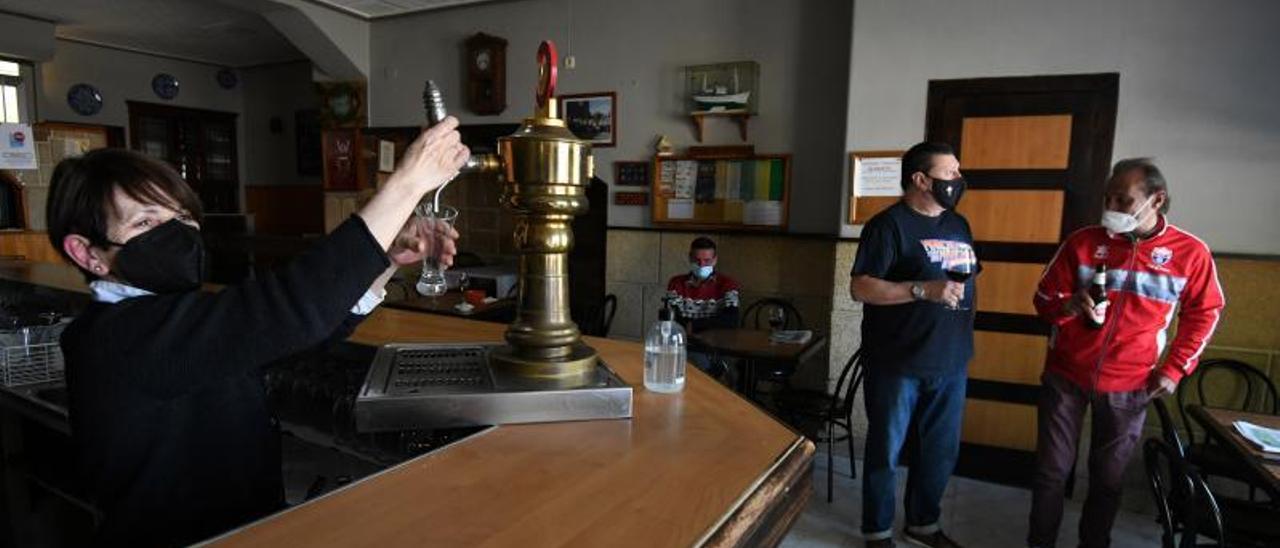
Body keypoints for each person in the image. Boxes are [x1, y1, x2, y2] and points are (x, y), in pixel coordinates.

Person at [46, 118, 469, 546]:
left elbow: (298, 334)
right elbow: (289, 310)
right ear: (88, 253)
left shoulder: (176, 316)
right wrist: (406, 183)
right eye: (145, 223)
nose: (178, 233)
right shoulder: (115, 339)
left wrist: (387, 260)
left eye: (182, 216)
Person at [1027, 158, 1224, 548]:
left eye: (1123, 199)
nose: (1112, 208)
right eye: (1108, 198)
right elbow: (1043, 299)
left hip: (1132, 383)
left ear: (1157, 199)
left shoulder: (1190, 253)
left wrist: (1174, 370)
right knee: (1051, 471)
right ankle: (1039, 543)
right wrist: (1067, 307)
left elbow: (1205, 313)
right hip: (1066, 375)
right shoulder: (1083, 242)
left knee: (1108, 478)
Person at [849, 142, 975, 548]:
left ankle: (923, 523)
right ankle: (878, 531)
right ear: (921, 179)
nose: (958, 180)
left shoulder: (959, 225)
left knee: (939, 451)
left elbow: (966, 281)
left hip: (951, 360)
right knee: (886, 450)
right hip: (896, 360)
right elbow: (860, 286)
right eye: (949, 172)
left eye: (958, 172)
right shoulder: (887, 226)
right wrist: (922, 290)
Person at [666, 236, 740, 375]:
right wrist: (707, 324)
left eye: (707, 261)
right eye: (697, 260)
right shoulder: (676, 283)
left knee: (695, 366)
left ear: (715, 260)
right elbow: (672, 318)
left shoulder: (727, 284)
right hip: (686, 344)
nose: (701, 265)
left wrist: (693, 325)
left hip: (716, 346)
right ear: (690, 258)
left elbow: (731, 320)